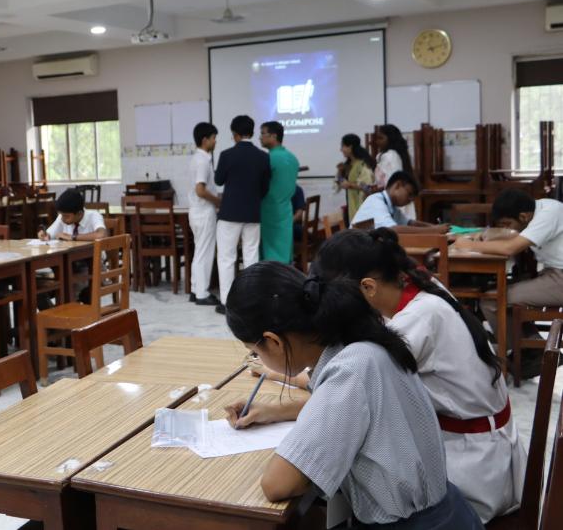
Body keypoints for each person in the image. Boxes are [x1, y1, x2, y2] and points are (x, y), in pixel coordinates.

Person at [223, 262, 483, 529]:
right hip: (446, 514)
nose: (257, 357)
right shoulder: (356, 340)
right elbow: (355, 410)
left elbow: (277, 484)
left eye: (255, 351)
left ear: (274, 341)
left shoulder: (349, 370)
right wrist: (274, 411)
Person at [316, 229, 526, 522]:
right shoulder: (420, 285)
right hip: (482, 448)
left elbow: (353, 391)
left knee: (367, 474)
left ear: (368, 287)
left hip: (472, 472)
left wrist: (290, 390)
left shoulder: (415, 321)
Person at [454, 189, 563, 334]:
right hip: (552, 274)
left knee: (493, 300)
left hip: (559, 278)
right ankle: (528, 342)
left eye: (507, 224)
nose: (506, 228)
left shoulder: (548, 215)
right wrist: (486, 235)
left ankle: (520, 347)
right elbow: (513, 235)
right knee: (494, 290)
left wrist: (469, 245)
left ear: (523, 216)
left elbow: (509, 248)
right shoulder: (539, 209)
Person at [214, 115, 271, 315]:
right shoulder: (263, 156)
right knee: (251, 256)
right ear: (252, 132)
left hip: (229, 213)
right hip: (252, 213)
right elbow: (265, 188)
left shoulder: (227, 155)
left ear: (235, 134)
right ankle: (250, 301)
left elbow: (218, 180)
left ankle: (226, 302)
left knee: (226, 257)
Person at [188, 122, 221, 306]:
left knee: (199, 251)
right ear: (205, 140)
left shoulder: (196, 159)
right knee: (205, 253)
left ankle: (195, 289)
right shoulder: (202, 161)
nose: (215, 141)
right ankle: (202, 293)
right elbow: (200, 190)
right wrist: (218, 201)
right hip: (203, 211)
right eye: (214, 138)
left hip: (196, 211)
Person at [351, 171, 449, 233]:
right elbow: (393, 229)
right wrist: (433, 230)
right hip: (357, 251)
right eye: (409, 194)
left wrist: (435, 227)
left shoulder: (391, 205)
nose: (410, 200)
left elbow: (409, 223)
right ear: (397, 185)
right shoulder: (376, 201)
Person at [259, 121, 300, 263]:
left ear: (274, 136)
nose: (260, 137)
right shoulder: (293, 158)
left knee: (269, 252)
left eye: (263, 133)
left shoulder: (267, 159)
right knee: (284, 249)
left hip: (268, 210)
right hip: (286, 209)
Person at [373, 124, 417, 221]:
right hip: (398, 198)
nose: (377, 141)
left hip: (394, 199)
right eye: (377, 138)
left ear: (390, 139)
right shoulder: (396, 154)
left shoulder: (390, 156)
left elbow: (389, 183)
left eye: (381, 138)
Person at [37, 189, 106, 242]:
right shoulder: (62, 217)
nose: (62, 219)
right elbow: (49, 234)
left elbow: (101, 235)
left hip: (93, 255)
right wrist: (45, 235)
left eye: (66, 216)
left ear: (79, 213)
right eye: (61, 215)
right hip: (72, 255)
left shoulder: (94, 215)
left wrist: (73, 237)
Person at [337, 133, 376, 222]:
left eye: (343, 146)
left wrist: (350, 185)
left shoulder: (363, 164)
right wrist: (340, 172)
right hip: (351, 203)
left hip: (361, 204)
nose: (341, 149)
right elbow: (341, 182)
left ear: (350, 147)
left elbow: (368, 187)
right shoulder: (348, 164)